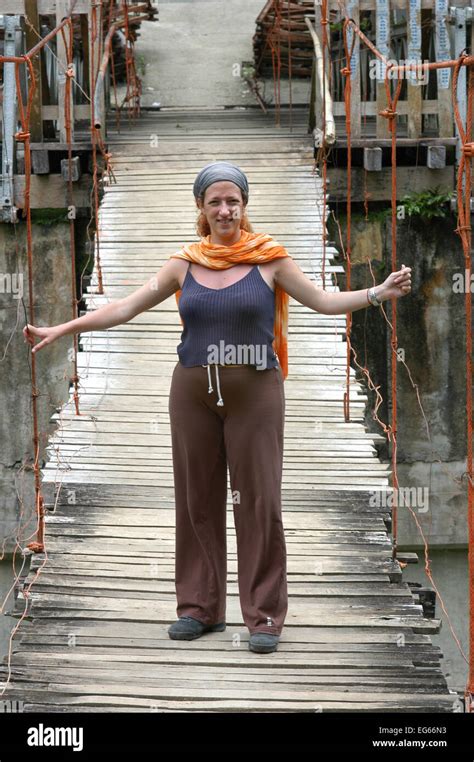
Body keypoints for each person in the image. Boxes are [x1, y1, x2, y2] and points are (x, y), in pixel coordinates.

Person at [23, 161, 412, 654]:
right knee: (196, 500)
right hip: (192, 394)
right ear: (201, 210)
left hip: (256, 394)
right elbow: (126, 307)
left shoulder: (270, 260)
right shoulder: (183, 262)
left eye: (233, 201)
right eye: (215, 202)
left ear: (244, 207)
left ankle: (265, 617)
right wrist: (66, 328)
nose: (225, 209)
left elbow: (323, 302)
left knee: (259, 502)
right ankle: (199, 609)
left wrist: (380, 291)